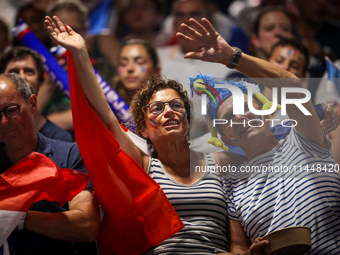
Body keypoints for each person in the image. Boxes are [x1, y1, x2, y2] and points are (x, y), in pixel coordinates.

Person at [45, 15, 270, 254]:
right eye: (157, 109)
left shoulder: (220, 161)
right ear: (143, 129)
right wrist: (80, 53)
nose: (169, 112)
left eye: (176, 105)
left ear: (188, 118)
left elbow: (237, 246)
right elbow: (107, 117)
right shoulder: (143, 167)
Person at [176, 17, 340, 254]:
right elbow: (239, 249)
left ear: (265, 114)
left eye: (246, 108)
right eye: (229, 118)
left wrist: (231, 57)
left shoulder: (303, 139)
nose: (240, 118)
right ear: (227, 138)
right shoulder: (232, 185)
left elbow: (291, 85)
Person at [0, 73, 100, 254]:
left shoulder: (70, 155)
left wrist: (18, 219)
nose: (4, 121)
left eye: (11, 110)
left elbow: (87, 225)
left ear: (32, 104)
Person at [0, 46, 73, 142]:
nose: (22, 77)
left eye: (29, 71)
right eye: (14, 72)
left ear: (40, 82)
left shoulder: (59, 138)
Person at [114, 39, 161, 103]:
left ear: (156, 70)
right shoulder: (107, 103)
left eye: (139, 62)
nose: (130, 68)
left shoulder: (166, 106)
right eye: (123, 63)